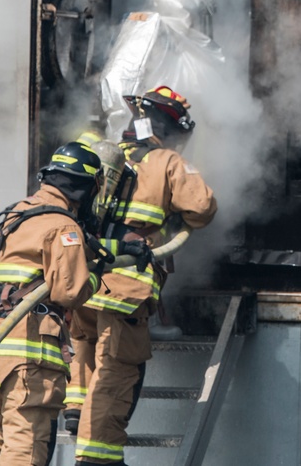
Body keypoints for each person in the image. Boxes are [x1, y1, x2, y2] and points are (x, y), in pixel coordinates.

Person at [66, 85, 218, 466]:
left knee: (86, 348)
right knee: (116, 373)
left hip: (86, 278)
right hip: (125, 287)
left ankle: (74, 410)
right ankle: (97, 457)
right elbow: (202, 207)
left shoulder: (105, 158)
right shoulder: (166, 161)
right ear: (171, 129)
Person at [0, 141, 106, 466]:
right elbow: (70, 291)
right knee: (24, 450)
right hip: (29, 363)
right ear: (85, 190)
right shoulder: (63, 227)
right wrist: (96, 275)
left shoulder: (16, 215)